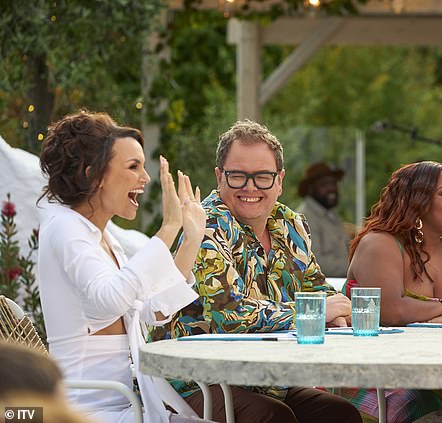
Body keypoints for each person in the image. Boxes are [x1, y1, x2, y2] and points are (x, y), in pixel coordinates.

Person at [152, 120, 361, 423]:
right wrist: (319, 311)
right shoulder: (205, 226)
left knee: (339, 414)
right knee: (273, 417)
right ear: (219, 177)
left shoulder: (291, 225)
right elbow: (231, 316)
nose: (250, 187)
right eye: (238, 176)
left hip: (265, 379)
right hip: (194, 380)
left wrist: (336, 311)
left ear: (280, 180)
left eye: (263, 176)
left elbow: (318, 291)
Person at [37, 111, 207, 423]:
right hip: (86, 411)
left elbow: (147, 314)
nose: (146, 178)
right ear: (93, 175)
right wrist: (167, 228)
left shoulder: (105, 240)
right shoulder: (64, 228)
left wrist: (189, 241)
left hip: (128, 404)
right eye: (133, 167)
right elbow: (109, 299)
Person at [341, 161, 442, 423]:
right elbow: (392, 311)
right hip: (379, 379)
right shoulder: (380, 244)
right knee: (428, 404)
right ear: (416, 201)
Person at [296, 162, 350, 277]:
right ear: (310, 188)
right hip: (317, 292)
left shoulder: (332, 216)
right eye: (324, 184)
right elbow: (315, 263)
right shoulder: (303, 218)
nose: (332, 189)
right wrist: (356, 267)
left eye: (334, 183)